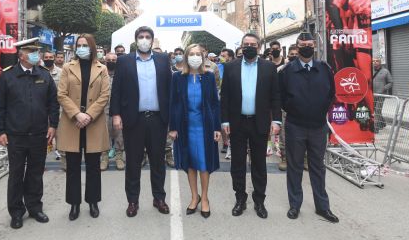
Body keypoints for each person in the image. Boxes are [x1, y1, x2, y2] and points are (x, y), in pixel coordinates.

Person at [0, 38, 59, 229]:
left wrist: (53, 125)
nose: (36, 55)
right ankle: (16, 212)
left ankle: (35, 207)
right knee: (16, 174)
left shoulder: (44, 75)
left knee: (35, 173)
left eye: (37, 51)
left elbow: (53, 103)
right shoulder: (8, 76)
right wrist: (1, 131)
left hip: (39, 134)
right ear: (21, 55)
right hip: (16, 135)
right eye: (32, 52)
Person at [110, 26, 172, 217]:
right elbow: (117, 90)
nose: (144, 40)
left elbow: (169, 89)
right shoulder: (124, 61)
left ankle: (159, 198)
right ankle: (132, 201)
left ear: (152, 40)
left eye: (147, 37)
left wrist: (172, 119)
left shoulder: (163, 60)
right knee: (133, 162)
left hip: (157, 119)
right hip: (133, 120)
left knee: (158, 161)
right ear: (136, 40)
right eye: (141, 37)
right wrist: (116, 114)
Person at [279, 32, 338, 223]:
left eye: (309, 45)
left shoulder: (324, 69)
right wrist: (294, 109)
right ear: (297, 47)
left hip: (318, 127)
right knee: (295, 167)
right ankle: (294, 205)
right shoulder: (287, 71)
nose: (306, 48)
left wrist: (320, 111)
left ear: (315, 46)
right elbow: (281, 97)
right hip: (295, 125)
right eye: (303, 45)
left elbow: (332, 94)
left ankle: (323, 207)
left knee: (318, 167)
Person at [220, 33, 281, 218]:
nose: (249, 47)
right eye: (246, 44)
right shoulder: (230, 67)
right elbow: (225, 97)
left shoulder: (269, 68)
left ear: (259, 47)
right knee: (237, 164)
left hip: (259, 122)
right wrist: (224, 120)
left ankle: (259, 201)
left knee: (259, 164)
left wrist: (277, 120)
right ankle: (240, 199)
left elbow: (275, 96)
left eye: (253, 44)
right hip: (237, 122)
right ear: (241, 46)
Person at [57, 34, 110, 220]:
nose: (81, 48)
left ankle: (93, 202)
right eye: (78, 45)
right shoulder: (67, 67)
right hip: (73, 122)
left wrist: (88, 115)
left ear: (92, 47)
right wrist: (77, 114)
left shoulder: (102, 68)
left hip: (93, 123)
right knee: (72, 166)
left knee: (93, 166)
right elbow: (61, 94)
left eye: (85, 45)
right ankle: (74, 204)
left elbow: (105, 95)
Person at [169, 44, 221, 218]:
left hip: (205, 126)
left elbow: (214, 103)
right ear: (186, 57)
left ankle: (204, 198)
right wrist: (173, 127)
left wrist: (217, 127)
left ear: (203, 57)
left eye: (198, 54)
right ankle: (194, 196)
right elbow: (173, 103)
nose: (195, 57)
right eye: (191, 54)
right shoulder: (178, 77)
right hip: (185, 127)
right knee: (189, 162)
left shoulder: (208, 77)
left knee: (204, 163)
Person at [276, 45, 300, 172]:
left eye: (296, 54)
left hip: (302, 109)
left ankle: (304, 159)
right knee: (284, 135)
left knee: (303, 134)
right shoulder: (281, 70)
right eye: (292, 54)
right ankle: (285, 158)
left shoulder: (307, 68)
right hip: (286, 109)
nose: (294, 56)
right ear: (288, 55)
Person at [101, 52, 125, 171]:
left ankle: (119, 157)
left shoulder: (122, 74)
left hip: (119, 108)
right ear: (105, 61)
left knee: (119, 133)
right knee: (104, 133)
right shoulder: (100, 74)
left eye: (114, 60)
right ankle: (104, 158)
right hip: (103, 108)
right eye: (109, 60)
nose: (111, 62)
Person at [372, 58, 394, 132]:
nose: (375, 62)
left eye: (377, 61)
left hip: (381, 95)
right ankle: (383, 123)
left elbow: (391, 82)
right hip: (372, 94)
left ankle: (376, 127)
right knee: (375, 110)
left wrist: (384, 88)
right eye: (373, 61)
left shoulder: (385, 71)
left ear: (380, 62)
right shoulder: (370, 70)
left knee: (378, 110)